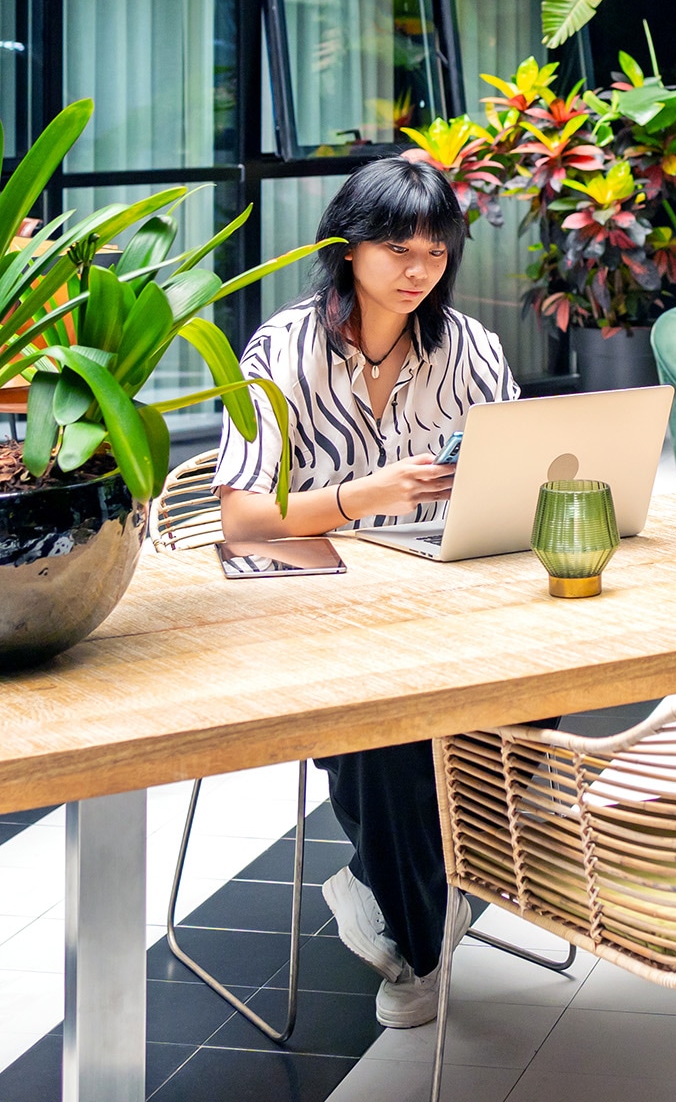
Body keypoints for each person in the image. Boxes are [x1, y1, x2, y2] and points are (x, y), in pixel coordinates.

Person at [214, 156, 520, 1029]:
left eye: (435, 249)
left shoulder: (466, 346)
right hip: (313, 587)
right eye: (396, 249)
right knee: (393, 726)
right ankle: (420, 940)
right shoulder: (283, 347)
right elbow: (242, 519)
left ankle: (389, 889)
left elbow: (512, 461)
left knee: (543, 684)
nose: (418, 269)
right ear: (348, 250)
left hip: (432, 581)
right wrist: (367, 494)